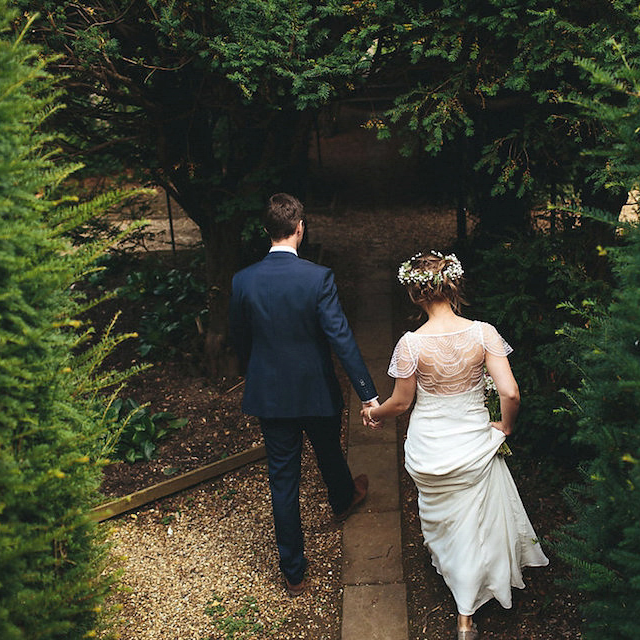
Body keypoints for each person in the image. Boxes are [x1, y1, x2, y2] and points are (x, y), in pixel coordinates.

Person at [361, 251, 549, 640]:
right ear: (455, 285)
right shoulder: (484, 333)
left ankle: (464, 608)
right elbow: (510, 391)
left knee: (446, 523)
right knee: (477, 519)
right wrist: (504, 428)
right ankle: (469, 610)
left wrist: (375, 414)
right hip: (472, 445)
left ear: (415, 295)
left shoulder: (410, 344)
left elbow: (401, 403)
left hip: (431, 449)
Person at [229, 193, 380, 597]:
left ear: (267, 231)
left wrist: (255, 372)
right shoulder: (318, 278)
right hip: (315, 389)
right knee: (328, 446)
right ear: (300, 228)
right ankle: (344, 499)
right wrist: (367, 394)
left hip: (271, 396)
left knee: (283, 480)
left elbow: (240, 339)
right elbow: (341, 339)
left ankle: (293, 572)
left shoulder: (242, 280)